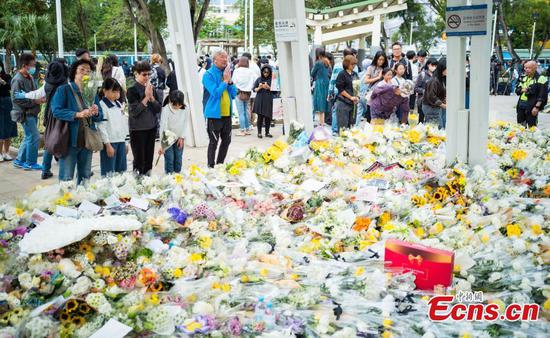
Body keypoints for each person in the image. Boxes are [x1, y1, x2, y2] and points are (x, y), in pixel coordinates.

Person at [15, 59, 70, 179]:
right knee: (66, 140)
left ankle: (45, 170)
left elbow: (37, 94)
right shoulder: (66, 84)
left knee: (49, 141)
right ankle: (66, 170)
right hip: (65, 115)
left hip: (50, 115)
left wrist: (24, 95)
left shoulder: (48, 83)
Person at [50, 59, 102, 184]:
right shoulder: (64, 90)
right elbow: (56, 111)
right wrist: (77, 114)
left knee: (85, 175)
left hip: (87, 138)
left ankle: (83, 200)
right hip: (69, 139)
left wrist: (96, 111)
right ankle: (66, 201)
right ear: (74, 73)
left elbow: (100, 116)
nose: (85, 73)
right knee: (67, 177)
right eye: (82, 70)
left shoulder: (91, 91)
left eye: (88, 71)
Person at [202, 50, 237, 168]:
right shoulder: (208, 75)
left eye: (226, 58)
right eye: (222, 58)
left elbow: (234, 94)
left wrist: (230, 81)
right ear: (215, 60)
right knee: (213, 142)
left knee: (227, 141)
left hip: (227, 114)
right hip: (214, 115)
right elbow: (216, 93)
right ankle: (210, 167)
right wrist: (225, 81)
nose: (225, 60)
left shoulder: (227, 73)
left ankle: (220, 165)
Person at [11, 53, 45, 171]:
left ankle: (19, 160)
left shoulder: (29, 77)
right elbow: (16, 99)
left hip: (32, 112)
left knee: (28, 137)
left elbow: (34, 92)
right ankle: (30, 162)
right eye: (32, 65)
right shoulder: (17, 79)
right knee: (34, 137)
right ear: (24, 65)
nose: (33, 67)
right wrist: (35, 102)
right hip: (25, 114)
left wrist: (40, 98)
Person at [127, 61, 162, 175]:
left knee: (148, 160)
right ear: (136, 74)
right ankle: (137, 184)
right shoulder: (132, 90)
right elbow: (135, 112)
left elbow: (158, 109)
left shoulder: (151, 88)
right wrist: (146, 98)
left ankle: (147, 183)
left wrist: (151, 98)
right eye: (144, 74)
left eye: (148, 74)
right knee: (139, 160)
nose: (147, 77)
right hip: (137, 129)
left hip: (151, 128)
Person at [97, 78, 128, 177]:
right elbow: (101, 126)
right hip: (110, 143)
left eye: (118, 91)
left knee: (121, 171)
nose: (117, 94)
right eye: (114, 91)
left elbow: (123, 124)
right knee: (108, 173)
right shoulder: (102, 105)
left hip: (121, 141)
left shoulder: (118, 104)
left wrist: (126, 142)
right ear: (105, 91)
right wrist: (107, 144)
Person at [329, 48, 359, 133]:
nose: (354, 66)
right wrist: (350, 97)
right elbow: (340, 89)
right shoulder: (342, 74)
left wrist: (357, 97)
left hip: (353, 103)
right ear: (347, 64)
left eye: (354, 64)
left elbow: (358, 87)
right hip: (343, 102)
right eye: (352, 64)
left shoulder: (355, 74)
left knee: (351, 126)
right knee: (343, 127)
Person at [159, 90, 187, 174]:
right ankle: (169, 177)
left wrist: (182, 137)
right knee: (169, 158)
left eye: (179, 105)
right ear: (171, 102)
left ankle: (177, 175)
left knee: (178, 158)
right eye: (175, 105)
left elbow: (186, 123)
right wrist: (163, 145)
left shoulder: (185, 109)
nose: (177, 107)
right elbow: (164, 127)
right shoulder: (166, 109)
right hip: (168, 136)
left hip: (179, 136)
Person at [515, 60, 548, 127]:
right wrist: (522, 90)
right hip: (521, 104)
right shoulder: (523, 77)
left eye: (528, 68)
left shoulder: (541, 79)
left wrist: (536, 107)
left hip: (532, 105)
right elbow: (517, 90)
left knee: (532, 127)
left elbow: (542, 96)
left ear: (535, 68)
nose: (526, 70)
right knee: (520, 126)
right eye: (525, 68)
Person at [232, 57, 256, 136]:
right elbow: (254, 81)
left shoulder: (236, 71)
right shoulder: (250, 71)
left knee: (241, 113)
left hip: (239, 93)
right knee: (246, 111)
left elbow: (233, 81)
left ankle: (242, 130)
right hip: (247, 93)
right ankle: (247, 128)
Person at [363, 51, 388, 123]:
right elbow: (366, 81)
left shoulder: (385, 69)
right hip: (372, 94)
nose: (381, 61)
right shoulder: (371, 68)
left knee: (380, 117)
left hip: (382, 96)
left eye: (383, 60)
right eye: (379, 59)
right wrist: (378, 77)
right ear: (376, 59)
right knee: (370, 115)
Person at [0, 61, 17, 162]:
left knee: (8, 127)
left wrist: (2, 81)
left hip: (7, 102)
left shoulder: (6, 76)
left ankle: (6, 152)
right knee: (0, 128)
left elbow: (11, 86)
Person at [423, 59, 447, 128]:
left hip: (436, 106)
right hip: (431, 107)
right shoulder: (434, 80)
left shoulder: (441, 78)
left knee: (438, 127)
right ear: (443, 68)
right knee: (436, 129)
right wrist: (443, 105)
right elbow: (432, 96)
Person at [253, 65, 275, 138]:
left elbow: (275, 91)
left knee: (268, 117)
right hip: (260, 99)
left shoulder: (272, 80)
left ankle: (267, 132)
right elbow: (254, 89)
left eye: (267, 72)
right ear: (262, 72)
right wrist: (259, 87)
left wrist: (269, 87)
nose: (266, 73)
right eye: (264, 72)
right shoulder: (259, 79)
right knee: (260, 116)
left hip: (268, 100)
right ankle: (259, 133)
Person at [311, 48, 331, 126]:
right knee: (324, 101)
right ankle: (322, 122)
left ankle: (321, 123)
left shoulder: (318, 63)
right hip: (327, 83)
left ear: (318, 54)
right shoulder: (327, 62)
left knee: (320, 102)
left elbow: (312, 73)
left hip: (320, 83)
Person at [414, 58, 438, 123]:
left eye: (435, 66)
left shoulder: (436, 76)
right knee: (421, 120)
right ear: (428, 65)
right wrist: (425, 91)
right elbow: (416, 88)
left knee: (430, 121)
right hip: (422, 101)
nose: (434, 67)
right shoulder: (422, 75)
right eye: (432, 65)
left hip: (433, 102)